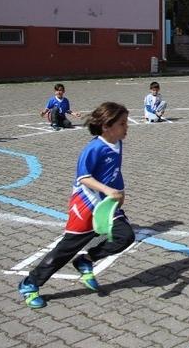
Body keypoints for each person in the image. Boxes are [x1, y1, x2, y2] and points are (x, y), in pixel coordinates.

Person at [18, 102, 136, 309]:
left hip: (106, 204)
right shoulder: (94, 148)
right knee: (66, 249)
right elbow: (83, 177)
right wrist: (108, 191)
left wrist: (120, 192)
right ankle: (30, 284)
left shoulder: (117, 143)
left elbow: (114, 173)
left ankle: (86, 260)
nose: (127, 127)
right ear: (106, 126)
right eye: (122, 123)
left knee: (125, 236)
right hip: (86, 204)